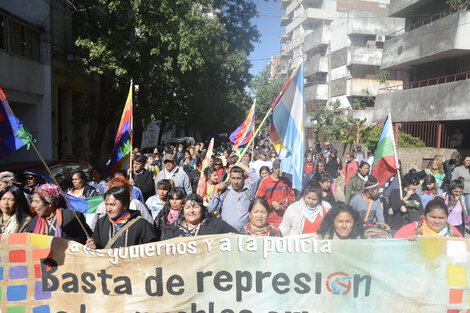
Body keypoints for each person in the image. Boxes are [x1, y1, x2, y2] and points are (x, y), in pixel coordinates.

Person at [86, 186, 157, 249]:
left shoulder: (141, 225)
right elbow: (97, 245)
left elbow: (152, 250)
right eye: (106, 204)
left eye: (112, 205)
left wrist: (132, 252)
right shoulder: (101, 223)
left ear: (125, 205)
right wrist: (92, 245)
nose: (108, 209)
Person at [25, 183, 91, 244]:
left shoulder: (71, 217)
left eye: (37, 202)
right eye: (33, 201)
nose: (33, 205)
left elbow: (88, 236)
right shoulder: (33, 223)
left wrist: (75, 241)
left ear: (50, 204)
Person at [209, 162, 261, 230]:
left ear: (244, 178)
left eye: (239, 178)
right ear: (229, 178)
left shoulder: (249, 190)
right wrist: (215, 189)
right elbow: (212, 208)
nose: (236, 182)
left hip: (244, 233)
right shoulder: (223, 191)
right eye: (233, 178)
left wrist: (241, 165)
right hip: (226, 232)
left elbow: (257, 178)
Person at [163, 194, 236, 239]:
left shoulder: (216, 225)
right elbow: (163, 248)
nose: (191, 211)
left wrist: (232, 238)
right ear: (183, 210)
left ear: (202, 209)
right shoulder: (174, 228)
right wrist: (174, 244)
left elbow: (239, 237)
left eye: (195, 207)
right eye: (187, 208)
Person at [394, 198, 463, 239]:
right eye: (433, 217)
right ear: (424, 215)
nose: (437, 221)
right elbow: (395, 248)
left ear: (447, 218)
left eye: (441, 218)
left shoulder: (451, 231)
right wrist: (408, 242)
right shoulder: (410, 230)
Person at [256, 159, 295, 227]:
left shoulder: (286, 181)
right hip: (269, 220)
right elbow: (259, 200)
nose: (283, 172)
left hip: (284, 220)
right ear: (274, 169)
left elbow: (292, 196)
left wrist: (288, 200)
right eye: (281, 169)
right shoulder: (265, 182)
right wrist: (271, 203)